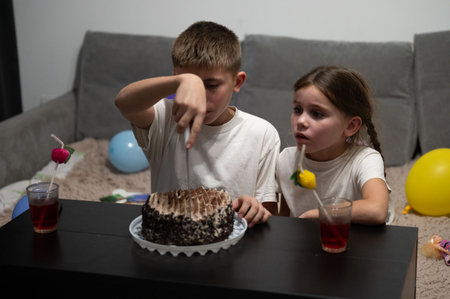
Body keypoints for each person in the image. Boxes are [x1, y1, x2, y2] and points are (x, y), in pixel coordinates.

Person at [115, 21, 280, 227]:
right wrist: (182, 83)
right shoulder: (164, 117)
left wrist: (254, 208)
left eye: (211, 85)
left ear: (237, 82)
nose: (200, 97)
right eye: (190, 84)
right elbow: (124, 102)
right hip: (169, 239)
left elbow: (268, 212)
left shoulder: (262, 133)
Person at [276, 65, 389, 225]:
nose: (301, 121)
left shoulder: (365, 159)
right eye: (297, 109)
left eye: (317, 113)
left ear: (350, 126)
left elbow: (376, 209)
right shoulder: (285, 159)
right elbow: (285, 218)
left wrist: (317, 214)